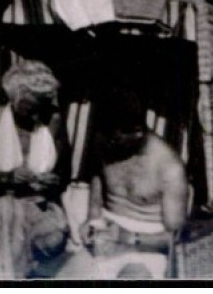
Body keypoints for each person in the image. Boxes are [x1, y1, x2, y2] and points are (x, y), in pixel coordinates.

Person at [0, 59, 73, 279]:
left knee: (49, 240)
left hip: (41, 209)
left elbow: (65, 176)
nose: (35, 116)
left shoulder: (53, 121)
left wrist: (54, 182)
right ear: (13, 99)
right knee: (5, 234)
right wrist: (7, 179)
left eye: (41, 107)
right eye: (30, 108)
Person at [78, 89, 189, 279]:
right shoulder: (105, 142)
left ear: (137, 131)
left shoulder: (169, 167)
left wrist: (128, 238)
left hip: (144, 249)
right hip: (105, 240)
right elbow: (97, 177)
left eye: (115, 138)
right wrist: (92, 220)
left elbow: (176, 239)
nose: (109, 142)